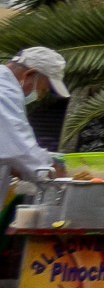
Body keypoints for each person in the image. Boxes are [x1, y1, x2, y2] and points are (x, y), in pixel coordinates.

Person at [0, 47, 66, 200]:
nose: (41, 96)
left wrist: (20, 169)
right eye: (43, 89)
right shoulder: (4, 93)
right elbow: (20, 149)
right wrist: (52, 170)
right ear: (30, 74)